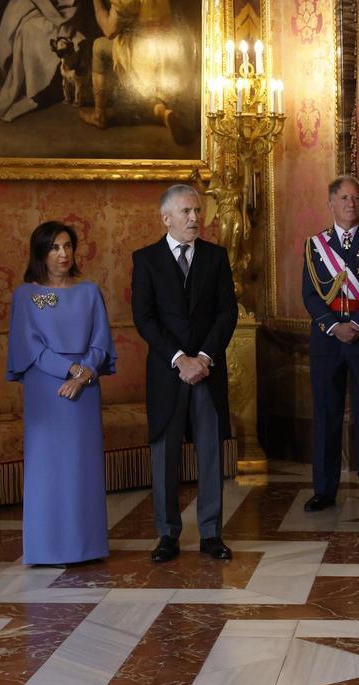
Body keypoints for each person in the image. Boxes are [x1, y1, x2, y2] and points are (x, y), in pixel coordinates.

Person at [131, 184, 238, 563]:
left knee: (210, 453)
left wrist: (205, 357)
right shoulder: (145, 260)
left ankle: (211, 533)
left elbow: (228, 312)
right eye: (187, 212)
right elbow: (144, 318)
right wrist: (180, 358)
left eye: (198, 210)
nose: (196, 218)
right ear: (167, 218)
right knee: (165, 456)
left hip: (207, 371)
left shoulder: (216, 256)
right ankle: (167, 534)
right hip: (167, 373)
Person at [7, 221, 116, 566]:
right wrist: (71, 372)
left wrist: (84, 375)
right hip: (46, 388)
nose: (63, 253)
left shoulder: (89, 292)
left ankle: (88, 546)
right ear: (40, 252)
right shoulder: (27, 295)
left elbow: (101, 342)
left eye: (67, 246)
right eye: (54, 247)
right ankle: (46, 549)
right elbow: (31, 347)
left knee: (82, 468)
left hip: (84, 390)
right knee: (48, 469)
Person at [302, 175, 359, 513]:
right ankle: (324, 490)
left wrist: (357, 324)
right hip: (327, 341)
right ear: (331, 204)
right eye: (343, 198)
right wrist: (333, 327)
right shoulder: (316, 245)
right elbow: (310, 295)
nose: (351, 203)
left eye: (355, 198)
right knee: (326, 414)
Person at [81, 0, 193, 145]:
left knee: (99, 46)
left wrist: (97, 4)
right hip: (167, 52)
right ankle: (164, 114)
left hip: (143, 55)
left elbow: (109, 30)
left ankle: (99, 114)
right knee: (144, 96)